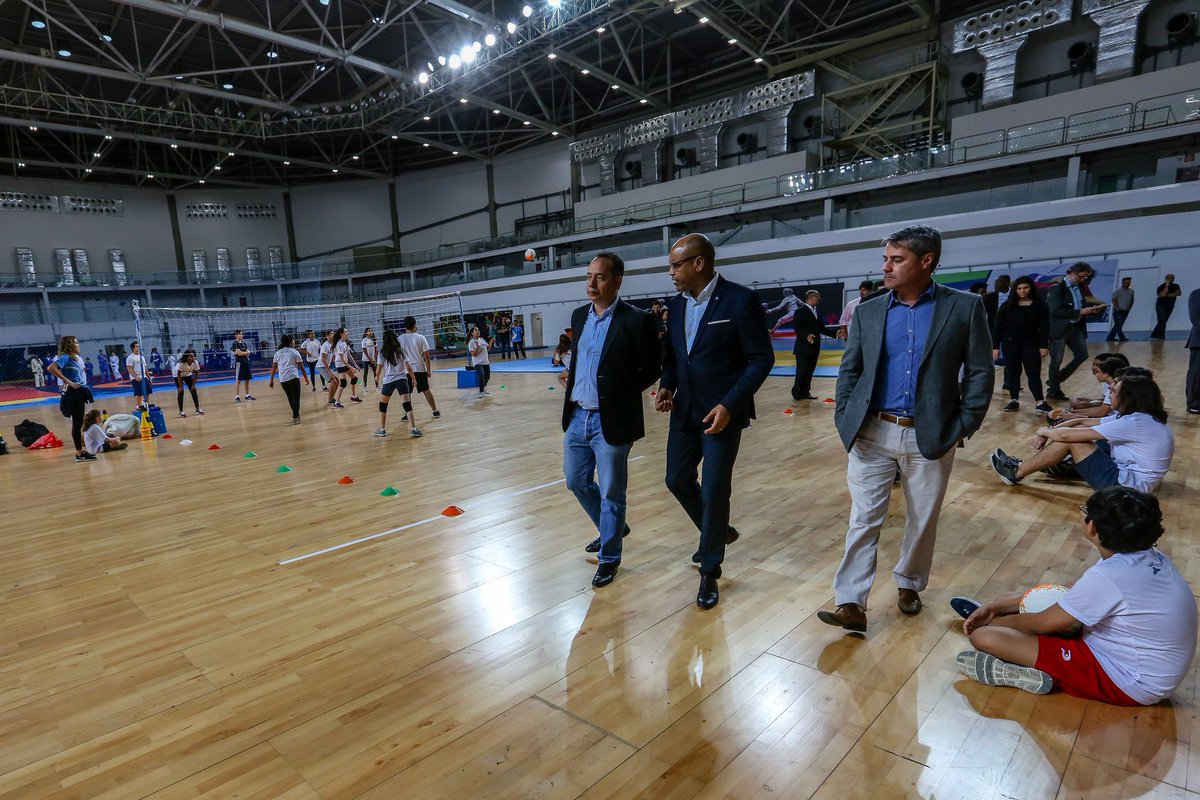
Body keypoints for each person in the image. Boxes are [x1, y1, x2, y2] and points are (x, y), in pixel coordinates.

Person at [818, 225, 993, 633]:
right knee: (864, 518)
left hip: (931, 432)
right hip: (872, 431)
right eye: (886, 259)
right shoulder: (869, 310)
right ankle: (850, 601)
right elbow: (851, 369)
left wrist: (963, 424)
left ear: (926, 261)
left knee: (923, 517)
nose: (886, 267)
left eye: (897, 260)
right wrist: (845, 412)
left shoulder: (964, 308)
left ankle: (910, 583)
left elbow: (981, 373)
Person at [956, 486, 1196, 704]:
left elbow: (1042, 623)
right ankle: (1022, 649)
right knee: (1017, 601)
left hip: (1128, 681)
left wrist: (996, 621)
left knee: (985, 637)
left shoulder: (1112, 575)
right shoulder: (1144, 557)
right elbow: (1075, 588)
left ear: (1092, 526)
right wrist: (998, 606)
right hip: (1141, 665)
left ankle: (1030, 672)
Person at [655, 233, 775, 609]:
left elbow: (761, 359)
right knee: (676, 479)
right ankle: (718, 530)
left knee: (715, 489)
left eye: (676, 265)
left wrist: (730, 404)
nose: (671, 272)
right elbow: (675, 358)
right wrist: (666, 385)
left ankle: (710, 570)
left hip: (723, 414)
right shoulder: (674, 307)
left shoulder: (741, 300)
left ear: (699, 264)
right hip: (685, 411)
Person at [561, 253, 661, 587]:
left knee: (612, 493)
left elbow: (652, 368)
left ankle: (609, 557)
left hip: (613, 421)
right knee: (576, 481)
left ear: (617, 280)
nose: (591, 283)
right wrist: (571, 375)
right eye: (588, 276)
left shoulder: (637, 320)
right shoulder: (579, 316)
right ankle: (613, 528)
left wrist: (618, 391)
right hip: (577, 417)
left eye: (599, 277)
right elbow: (584, 360)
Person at [993, 367, 1174, 494]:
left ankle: (1016, 472)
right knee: (1082, 432)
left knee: (1075, 441)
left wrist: (1043, 431)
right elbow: (1083, 422)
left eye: (1114, 392)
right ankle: (1056, 463)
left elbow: (1066, 435)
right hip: (1133, 479)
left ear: (1129, 397)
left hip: (1127, 489)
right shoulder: (1142, 416)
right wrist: (1048, 431)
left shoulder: (1134, 422)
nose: (1110, 394)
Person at [1046, 262, 1106, 401]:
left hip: (1075, 327)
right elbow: (1055, 310)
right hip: (1060, 329)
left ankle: (1055, 381)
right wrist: (1080, 311)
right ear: (1071, 273)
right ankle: (1054, 390)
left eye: (1085, 278)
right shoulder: (1056, 288)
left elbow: (1080, 306)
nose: (1083, 280)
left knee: (1082, 355)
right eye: (1081, 276)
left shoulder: (1079, 288)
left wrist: (1092, 311)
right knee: (1056, 361)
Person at [992, 275, 1050, 413]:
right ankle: (1014, 400)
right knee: (1013, 372)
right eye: (1019, 288)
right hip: (1010, 343)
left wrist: (1044, 345)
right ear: (1015, 290)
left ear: (1030, 288)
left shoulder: (1039, 304)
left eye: (1025, 288)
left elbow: (1045, 326)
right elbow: (998, 327)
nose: (1022, 291)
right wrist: (995, 347)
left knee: (1033, 372)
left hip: (1031, 343)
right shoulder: (1008, 305)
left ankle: (1040, 402)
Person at [46, 335, 95, 462]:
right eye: (76, 343)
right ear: (69, 345)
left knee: (78, 423)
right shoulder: (65, 357)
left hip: (78, 392)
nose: (78, 345)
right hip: (73, 393)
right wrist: (68, 381)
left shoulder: (75, 358)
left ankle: (80, 451)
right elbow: (51, 368)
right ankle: (79, 453)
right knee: (77, 424)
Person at [1047, 352, 1127, 423]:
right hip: (1109, 418)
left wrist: (1074, 414)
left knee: (1070, 424)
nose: (1096, 374)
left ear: (1106, 373)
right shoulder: (1114, 384)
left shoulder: (1115, 387)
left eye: (1098, 372)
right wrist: (1073, 412)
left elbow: (1102, 412)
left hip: (1110, 420)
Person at [375, 328, 421, 438]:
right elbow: (408, 367)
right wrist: (413, 379)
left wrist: (376, 377)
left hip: (388, 381)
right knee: (407, 404)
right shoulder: (401, 351)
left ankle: (382, 430)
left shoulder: (382, 353)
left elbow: (378, 368)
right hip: (402, 380)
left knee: (383, 405)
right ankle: (414, 429)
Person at [399, 316, 441, 418]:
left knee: (407, 393)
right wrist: (429, 370)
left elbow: (399, 356)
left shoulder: (399, 339)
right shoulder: (421, 337)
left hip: (406, 370)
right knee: (426, 390)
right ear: (415, 325)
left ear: (405, 326)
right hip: (419, 369)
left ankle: (407, 414)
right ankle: (435, 411)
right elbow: (426, 356)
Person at [267, 334, 309, 424]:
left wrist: (271, 380)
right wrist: (306, 378)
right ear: (290, 342)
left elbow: (274, 367)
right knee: (296, 398)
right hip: (293, 377)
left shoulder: (278, 353)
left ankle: (296, 416)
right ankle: (295, 417)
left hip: (283, 379)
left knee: (290, 398)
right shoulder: (294, 352)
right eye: (293, 340)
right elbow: (301, 367)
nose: (294, 342)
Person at [790, 289, 824, 401]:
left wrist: (836, 333)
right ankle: (796, 391)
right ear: (810, 297)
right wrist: (807, 335)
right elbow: (797, 328)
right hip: (803, 347)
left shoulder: (817, 312)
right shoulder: (800, 311)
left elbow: (821, 328)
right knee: (802, 370)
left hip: (814, 347)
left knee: (810, 371)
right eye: (816, 296)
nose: (819, 298)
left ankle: (805, 391)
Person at [330, 327, 362, 408]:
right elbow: (341, 359)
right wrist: (351, 368)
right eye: (346, 332)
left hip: (345, 363)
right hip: (340, 365)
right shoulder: (339, 344)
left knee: (354, 378)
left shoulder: (345, 342)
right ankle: (336, 402)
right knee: (343, 382)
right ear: (341, 334)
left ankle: (353, 396)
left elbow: (349, 355)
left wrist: (355, 365)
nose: (348, 333)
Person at [1150, 273, 1182, 340]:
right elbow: (1163, 294)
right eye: (1168, 278)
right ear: (1165, 279)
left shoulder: (1176, 286)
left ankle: (1153, 335)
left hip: (1170, 306)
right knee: (1161, 320)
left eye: (1172, 278)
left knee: (1163, 321)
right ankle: (1161, 336)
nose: (1170, 279)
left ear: (1173, 279)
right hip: (1160, 305)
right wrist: (1167, 287)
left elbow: (1179, 293)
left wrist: (1171, 294)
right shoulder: (1160, 287)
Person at [173, 349, 204, 417]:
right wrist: (181, 386)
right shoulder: (181, 363)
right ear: (187, 357)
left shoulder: (195, 362)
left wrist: (193, 385)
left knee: (193, 390)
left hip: (187, 374)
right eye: (191, 357)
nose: (193, 358)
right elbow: (179, 374)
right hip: (177, 375)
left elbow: (196, 373)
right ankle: (181, 412)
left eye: (193, 356)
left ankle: (197, 409)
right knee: (181, 391)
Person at [125, 341, 153, 410]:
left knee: (147, 392)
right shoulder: (130, 358)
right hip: (136, 378)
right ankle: (138, 406)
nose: (138, 348)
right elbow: (129, 368)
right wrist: (135, 376)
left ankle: (146, 405)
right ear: (133, 348)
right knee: (138, 393)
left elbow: (145, 368)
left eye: (138, 346)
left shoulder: (142, 357)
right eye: (137, 346)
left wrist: (149, 378)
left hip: (144, 377)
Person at [231, 329, 255, 402]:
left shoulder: (244, 344)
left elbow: (248, 352)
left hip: (246, 362)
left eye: (242, 334)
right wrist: (245, 353)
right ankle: (237, 397)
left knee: (247, 379)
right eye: (240, 334)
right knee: (238, 380)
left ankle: (247, 395)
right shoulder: (235, 343)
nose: (241, 335)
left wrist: (243, 352)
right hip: (239, 363)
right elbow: (239, 353)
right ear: (236, 335)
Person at [1108, 276, 1134, 342]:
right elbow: (1113, 299)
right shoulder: (1118, 291)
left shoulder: (1131, 291)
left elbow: (1131, 300)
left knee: (1118, 325)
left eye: (1129, 283)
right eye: (1126, 282)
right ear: (1122, 283)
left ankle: (1110, 337)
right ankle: (1122, 338)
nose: (1127, 284)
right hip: (1118, 311)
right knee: (1119, 326)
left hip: (1126, 310)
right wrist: (1117, 308)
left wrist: (1129, 308)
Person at [467, 326, 491, 397]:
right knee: (481, 375)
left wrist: (491, 342)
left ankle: (483, 389)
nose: (478, 331)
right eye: (476, 330)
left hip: (485, 361)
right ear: (472, 333)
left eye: (478, 330)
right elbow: (473, 354)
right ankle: (481, 391)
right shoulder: (471, 342)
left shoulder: (482, 340)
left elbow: (488, 348)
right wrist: (477, 347)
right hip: (477, 362)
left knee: (487, 377)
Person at [1188, 288, 1200, 415]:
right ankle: (1194, 404)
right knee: (1196, 374)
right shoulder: (1197, 294)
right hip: (1199, 341)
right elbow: (1195, 317)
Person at [319, 330, 337, 405]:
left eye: (333, 334)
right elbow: (323, 360)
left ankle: (331, 398)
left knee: (337, 381)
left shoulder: (333, 344)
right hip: (321, 366)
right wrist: (329, 371)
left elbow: (332, 356)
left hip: (326, 365)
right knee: (333, 382)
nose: (333, 335)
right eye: (331, 334)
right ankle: (330, 400)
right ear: (327, 336)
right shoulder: (325, 345)